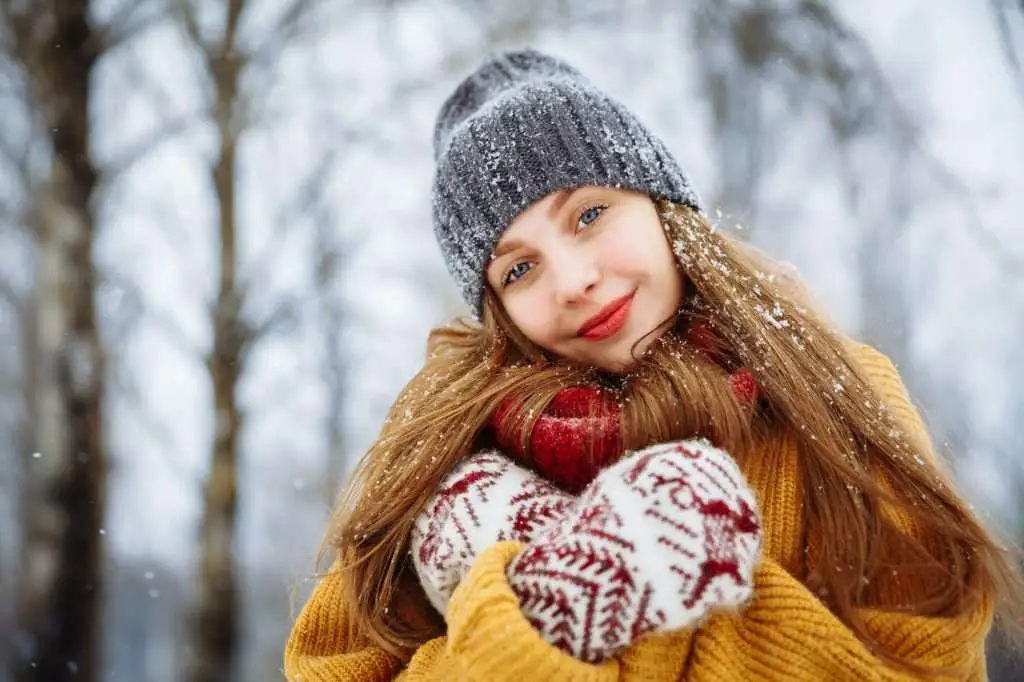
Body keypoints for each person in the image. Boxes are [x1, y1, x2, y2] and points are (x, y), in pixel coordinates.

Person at [284, 49, 1023, 681]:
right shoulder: (435, 463)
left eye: (589, 215)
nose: (572, 280)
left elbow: (930, 658)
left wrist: (599, 615)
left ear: (661, 204)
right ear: (496, 314)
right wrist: (566, 587)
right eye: (518, 270)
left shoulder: (831, 386)